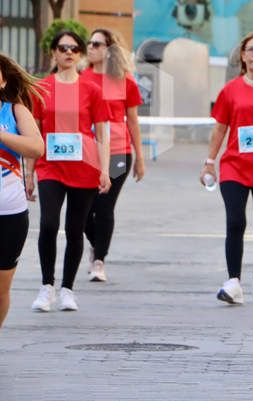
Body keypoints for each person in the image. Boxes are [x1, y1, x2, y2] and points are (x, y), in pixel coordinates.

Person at [28, 31, 111, 313]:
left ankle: (67, 289)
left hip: (84, 167)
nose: (68, 53)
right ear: (53, 53)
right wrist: (29, 173)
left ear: (80, 55)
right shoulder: (41, 88)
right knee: (49, 224)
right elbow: (34, 132)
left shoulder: (92, 90)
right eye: (62, 48)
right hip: (50, 165)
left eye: (74, 48)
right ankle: (46, 286)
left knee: (76, 229)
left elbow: (102, 133)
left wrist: (104, 170)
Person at [202, 32, 253, 307]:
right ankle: (233, 281)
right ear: (243, 55)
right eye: (251, 50)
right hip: (235, 166)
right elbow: (220, 127)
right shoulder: (231, 90)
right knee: (235, 221)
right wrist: (209, 161)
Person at [81, 28, 145, 283]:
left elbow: (133, 121)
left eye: (96, 44)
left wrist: (139, 158)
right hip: (86, 154)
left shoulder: (125, 81)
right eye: (89, 43)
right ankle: (96, 245)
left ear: (109, 49)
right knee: (86, 210)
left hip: (119, 152)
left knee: (105, 207)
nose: (90, 47)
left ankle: (99, 260)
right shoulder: (79, 78)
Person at [0, 54, 44, 328]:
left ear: (3, 81)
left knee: (1, 287)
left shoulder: (15, 111)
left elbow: (36, 147)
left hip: (10, 214)